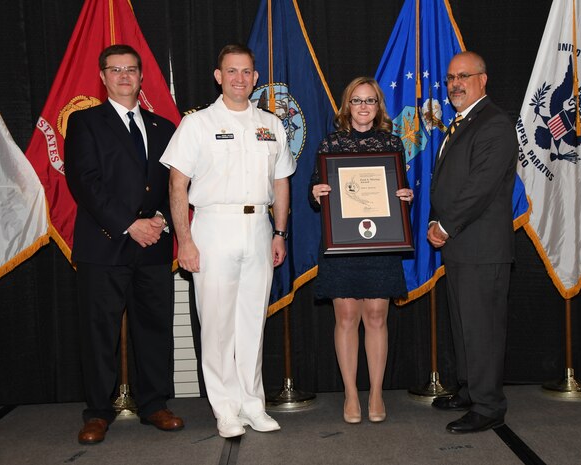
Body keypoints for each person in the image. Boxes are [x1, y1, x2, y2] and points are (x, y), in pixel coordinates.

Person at [161, 44, 296, 438]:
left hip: (258, 228)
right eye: (231, 71)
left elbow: (281, 181)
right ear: (218, 76)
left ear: (256, 78)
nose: (240, 78)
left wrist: (280, 232)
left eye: (247, 72)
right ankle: (225, 409)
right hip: (212, 227)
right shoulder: (197, 124)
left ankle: (253, 405)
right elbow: (177, 184)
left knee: (252, 321)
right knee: (217, 324)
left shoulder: (271, 124)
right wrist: (184, 240)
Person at [65, 44, 183, 445]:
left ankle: (155, 404)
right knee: (100, 333)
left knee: (154, 329)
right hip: (104, 245)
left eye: (131, 70)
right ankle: (98, 412)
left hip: (153, 244)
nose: (124, 77)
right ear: (102, 77)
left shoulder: (163, 126)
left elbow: (175, 185)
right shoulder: (85, 122)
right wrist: (130, 224)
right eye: (116, 70)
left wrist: (162, 221)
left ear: (141, 76)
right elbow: (85, 183)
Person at [310, 77, 413, 424]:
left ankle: (377, 393)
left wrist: (405, 196)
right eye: (357, 101)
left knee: (376, 318)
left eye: (370, 100)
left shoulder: (392, 143)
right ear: (346, 106)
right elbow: (316, 185)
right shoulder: (331, 143)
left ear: (379, 106)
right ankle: (352, 395)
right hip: (343, 245)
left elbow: (399, 188)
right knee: (346, 318)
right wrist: (318, 191)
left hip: (380, 244)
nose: (364, 106)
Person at [427, 52, 517, 434]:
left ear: (483, 78)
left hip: (481, 246)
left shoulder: (494, 124)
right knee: (464, 325)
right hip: (463, 245)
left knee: (482, 329)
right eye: (450, 78)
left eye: (463, 76)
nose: (454, 84)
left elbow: (479, 187)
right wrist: (439, 220)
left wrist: (445, 224)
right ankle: (468, 389)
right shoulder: (463, 122)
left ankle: (488, 405)